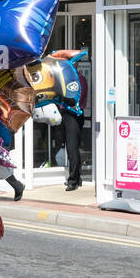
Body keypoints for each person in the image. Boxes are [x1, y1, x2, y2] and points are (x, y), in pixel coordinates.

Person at [50, 48, 88, 191]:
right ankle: (76, 178)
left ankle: (73, 180)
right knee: (70, 148)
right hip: (65, 115)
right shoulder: (66, 80)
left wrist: (59, 96)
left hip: (74, 115)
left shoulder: (79, 79)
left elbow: (74, 100)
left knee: (72, 148)